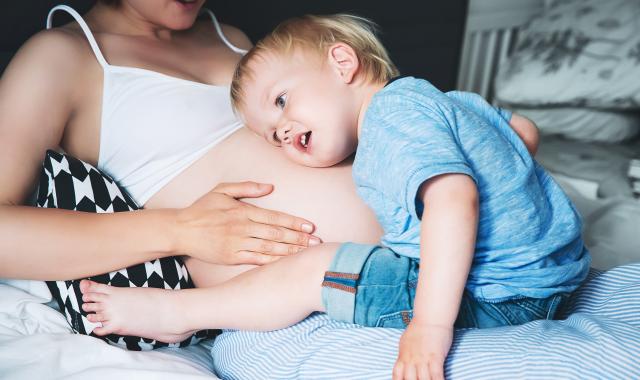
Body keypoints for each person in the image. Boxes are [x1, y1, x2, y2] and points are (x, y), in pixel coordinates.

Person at [78, 14, 590, 380]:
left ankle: (182, 313)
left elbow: (454, 201)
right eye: (270, 133)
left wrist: (430, 327)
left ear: (343, 62)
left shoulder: (391, 119)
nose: (281, 131)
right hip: (555, 272)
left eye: (281, 101)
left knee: (318, 269)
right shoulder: (434, 99)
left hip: (499, 297)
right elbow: (521, 131)